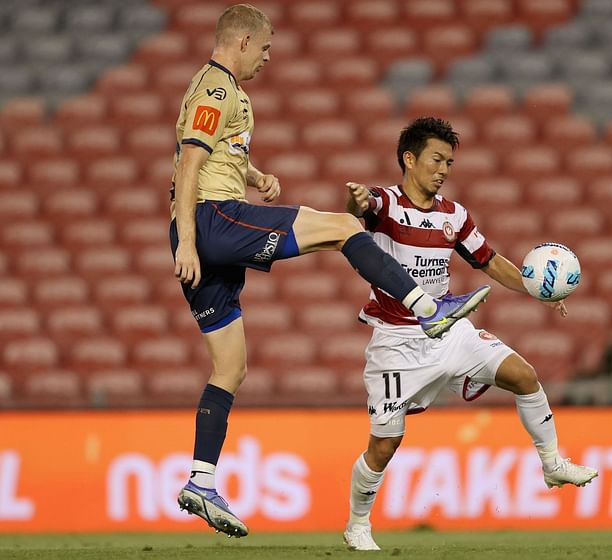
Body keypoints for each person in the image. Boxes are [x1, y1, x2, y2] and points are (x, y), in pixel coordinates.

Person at [169, 6, 490, 538]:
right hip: (211, 222)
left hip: (212, 223)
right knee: (343, 225)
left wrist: (254, 174)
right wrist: (186, 239)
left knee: (230, 366)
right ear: (242, 41)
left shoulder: (223, 94)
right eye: (266, 48)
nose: (269, 58)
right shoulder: (218, 90)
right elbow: (187, 161)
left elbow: (215, 150)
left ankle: (201, 480)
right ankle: (429, 308)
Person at [341, 117, 598, 551]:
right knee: (385, 445)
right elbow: (355, 217)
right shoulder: (385, 204)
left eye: (449, 162)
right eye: (436, 160)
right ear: (409, 158)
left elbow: (489, 260)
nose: (443, 169)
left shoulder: (453, 215)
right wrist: (356, 203)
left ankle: (552, 463)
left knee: (524, 375)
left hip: (449, 330)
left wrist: (535, 290)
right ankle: (357, 524)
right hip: (396, 343)